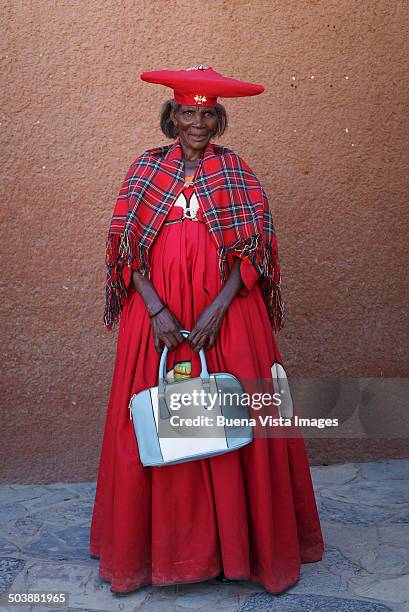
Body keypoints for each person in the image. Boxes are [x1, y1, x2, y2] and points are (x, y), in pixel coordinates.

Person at [90, 64, 324, 594]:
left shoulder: (236, 173)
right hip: (160, 320)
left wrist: (219, 307)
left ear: (219, 121)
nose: (197, 122)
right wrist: (155, 309)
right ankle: (162, 555)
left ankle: (241, 551)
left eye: (207, 114)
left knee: (238, 420)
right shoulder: (145, 170)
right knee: (156, 419)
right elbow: (123, 246)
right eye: (187, 112)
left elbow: (256, 249)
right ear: (170, 117)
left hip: (227, 315)